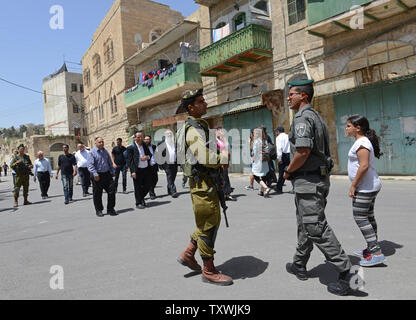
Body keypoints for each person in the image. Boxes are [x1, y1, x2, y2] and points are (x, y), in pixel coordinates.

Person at [283, 78, 354, 296]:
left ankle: (347, 273)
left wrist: (288, 171)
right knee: (306, 224)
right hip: (317, 180)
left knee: (314, 226)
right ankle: (299, 263)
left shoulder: (303, 118)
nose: (288, 97)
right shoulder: (317, 118)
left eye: (292, 93)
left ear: (303, 95)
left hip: (309, 181)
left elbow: (302, 151)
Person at [176, 88, 233, 286]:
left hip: (206, 183)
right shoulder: (193, 129)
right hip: (203, 185)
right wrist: (223, 158)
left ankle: (188, 254)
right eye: (201, 101)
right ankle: (208, 270)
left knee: (207, 222)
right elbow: (204, 156)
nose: (205, 104)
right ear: (191, 107)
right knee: (209, 225)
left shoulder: (198, 126)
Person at [346, 114, 385, 267]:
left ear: (358, 128)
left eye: (349, 125)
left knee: (360, 217)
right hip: (369, 185)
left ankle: (376, 253)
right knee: (368, 216)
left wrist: (354, 185)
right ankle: (371, 248)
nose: (346, 128)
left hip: (365, 187)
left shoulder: (362, 143)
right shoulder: (361, 141)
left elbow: (364, 166)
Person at [87, 137, 117, 217]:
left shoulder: (105, 151)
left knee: (112, 191)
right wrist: (95, 174)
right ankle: (99, 210)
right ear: (95, 143)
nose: (101, 143)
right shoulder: (92, 153)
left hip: (107, 174)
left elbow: (110, 163)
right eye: (99, 142)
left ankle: (110, 209)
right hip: (97, 175)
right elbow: (90, 165)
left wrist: (112, 171)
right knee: (97, 194)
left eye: (102, 142)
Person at [127, 132, 152, 209]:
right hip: (137, 170)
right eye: (138, 137)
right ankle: (139, 202)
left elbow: (150, 155)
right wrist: (133, 171)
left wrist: (146, 157)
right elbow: (130, 161)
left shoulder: (144, 145)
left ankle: (141, 198)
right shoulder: (131, 148)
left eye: (141, 137)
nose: (140, 139)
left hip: (146, 169)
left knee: (147, 185)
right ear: (134, 138)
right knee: (138, 187)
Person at [157, 130, 179, 198]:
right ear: (165, 135)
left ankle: (169, 189)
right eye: (168, 134)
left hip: (174, 163)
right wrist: (160, 164)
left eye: (170, 134)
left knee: (173, 176)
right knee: (169, 176)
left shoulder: (175, 143)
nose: (169, 135)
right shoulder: (161, 143)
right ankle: (173, 191)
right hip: (166, 163)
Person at [251, 127, 272, 198]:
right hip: (265, 161)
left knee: (255, 176)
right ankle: (262, 191)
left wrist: (253, 159)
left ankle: (266, 188)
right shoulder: (264, 140)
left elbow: (255, 152)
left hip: (258, 161)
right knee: (264, 176)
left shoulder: (256, 141)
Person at [216, 127, 236, 201]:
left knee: (225, 177)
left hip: (224, 160)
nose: (221, 132)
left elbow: (228, 147)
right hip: (218, 161)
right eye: (219, 131)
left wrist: (224, 137)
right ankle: (222, 194)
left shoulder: (222, 140)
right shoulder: (214, 140)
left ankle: (227, 194)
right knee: (220, 178)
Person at [275, 126, 290, 194]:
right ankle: (295, 188)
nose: (275, 133)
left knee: (281, 173)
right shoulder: (288, 136)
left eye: (276, 131)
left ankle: (279, 188)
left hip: (283, 155)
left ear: (278, 131)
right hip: (289, 155)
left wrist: (279, 159)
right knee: (291, 171)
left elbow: (279, 149)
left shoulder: (278, 138)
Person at [144, 135, 159, 200]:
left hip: (154, 165)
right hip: (148, 166)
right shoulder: (143, 147)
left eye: (148, 139)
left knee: (155, 179)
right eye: (146, 139)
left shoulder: (153, 146)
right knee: (149, 180)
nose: (147, 140)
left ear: (150, 140)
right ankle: (151, 193)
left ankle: (150, 190)